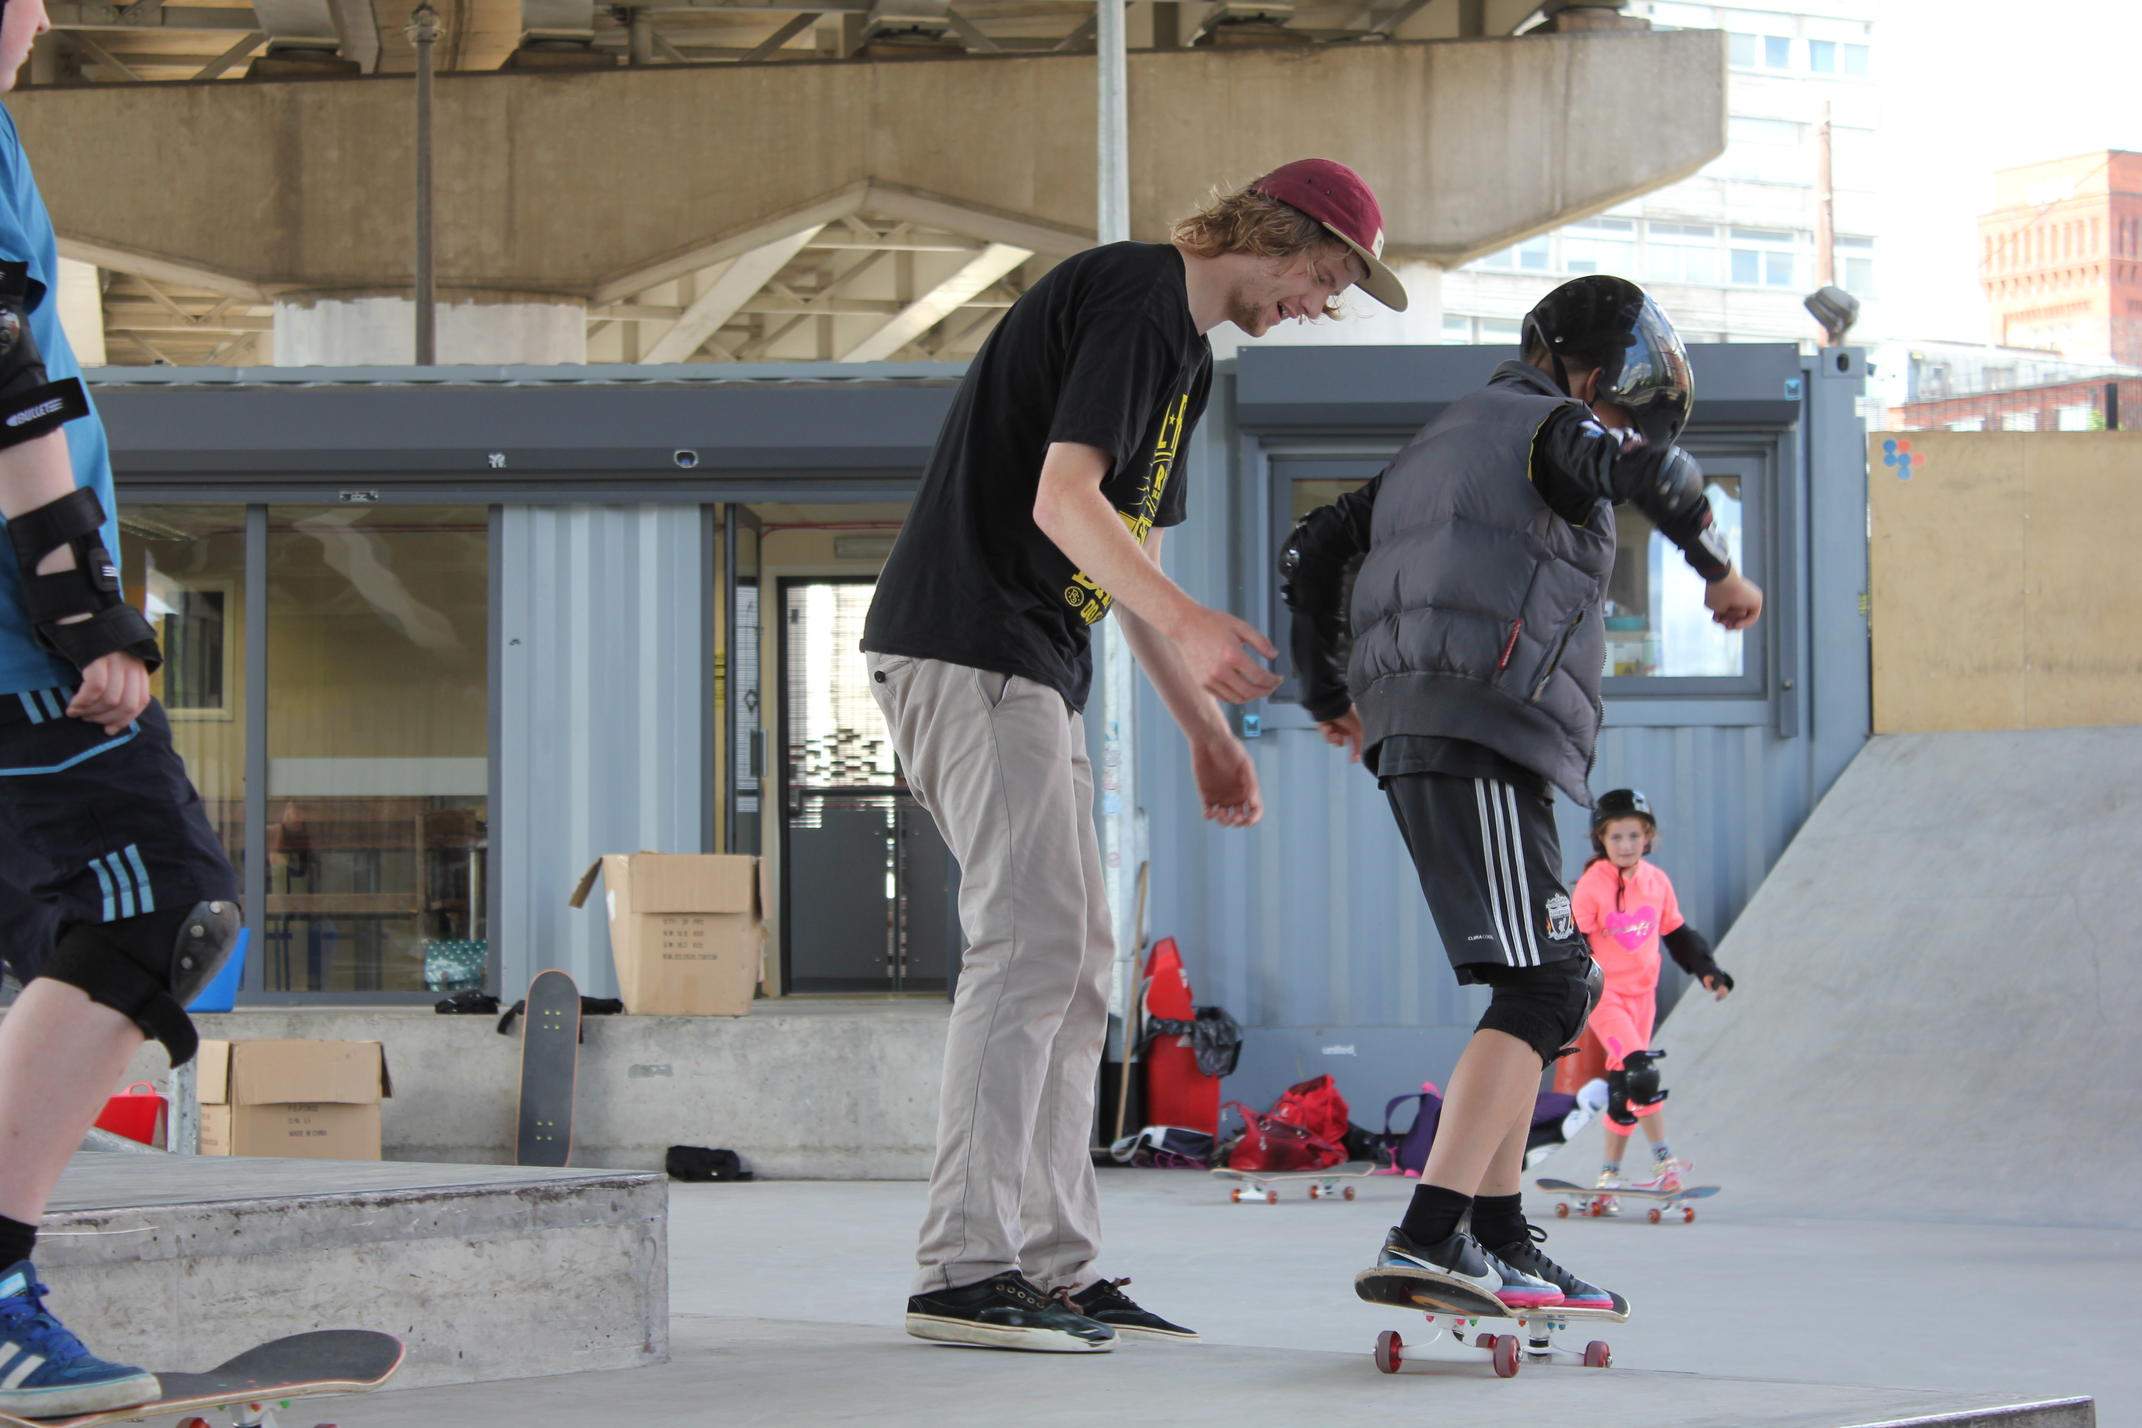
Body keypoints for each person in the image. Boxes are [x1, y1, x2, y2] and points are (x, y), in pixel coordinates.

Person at [861, 159, 1410, 1352]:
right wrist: (1195, 623)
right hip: (971, 647)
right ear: (1278, 234)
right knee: (1031, 943)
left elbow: (1126, 547)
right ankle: (962, 1268)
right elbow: (1068, 504)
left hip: (1036, 667)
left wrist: (1208, 735)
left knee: (1082, 955)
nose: (1322, 303)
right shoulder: (1135, 297)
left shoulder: (1188, 360)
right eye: (1327, 277)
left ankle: (1052, 1268)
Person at [1282, 273, 1763, 1313]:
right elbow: (1644, 470)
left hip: (1443, 731)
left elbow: (1310, 548)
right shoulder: (1550, 426)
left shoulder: (1436, 444)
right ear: (1594, 379)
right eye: (1620, 409)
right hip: (1481, 732)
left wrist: (1328, 692)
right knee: (1548, 990)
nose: (1617, 428)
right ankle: (1429, 1237)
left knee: (1557, 981)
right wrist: (1717, 568)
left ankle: (1496, 1235)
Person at [0, 0, 244, 1413]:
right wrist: (85, 609)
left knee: (57, 939)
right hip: (20, 654)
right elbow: (6, 384)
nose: (39, 14)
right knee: (152, 910)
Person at [1567, 787, 1733, 1214]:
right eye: (1616, 837)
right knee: (1642, 1073)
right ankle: (1665, 1162)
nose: (1625, 846)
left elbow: (1677, 934)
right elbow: (1573, 944)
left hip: (1643, 996)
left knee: (1625, 1083)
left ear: (1648, 838)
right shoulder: (1591, 886)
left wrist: (1707, 970)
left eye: (1634, 837)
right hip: (1605, 996)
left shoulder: (1657, 883)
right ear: (1601, 840)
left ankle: (1608, 1175)